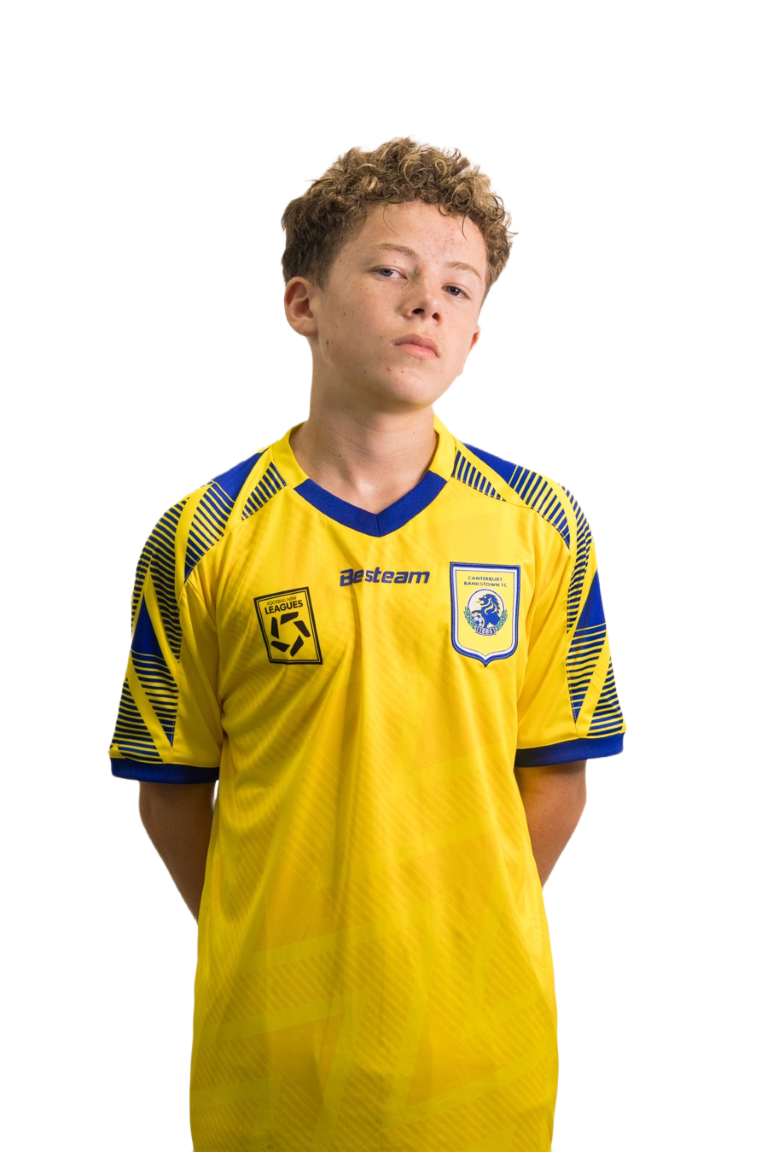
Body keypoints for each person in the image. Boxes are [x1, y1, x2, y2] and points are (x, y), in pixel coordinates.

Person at [110, 138, 625, 1151]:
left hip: (478, 1057)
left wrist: (455, 931)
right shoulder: (203, 535)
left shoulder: (541, 527)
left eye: (457, 287)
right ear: (304, 303)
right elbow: (170, 791)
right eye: (391, 270)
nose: (426, 301)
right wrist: (276, 944)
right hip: (274, 1061)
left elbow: (557, 777)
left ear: (474, 336)